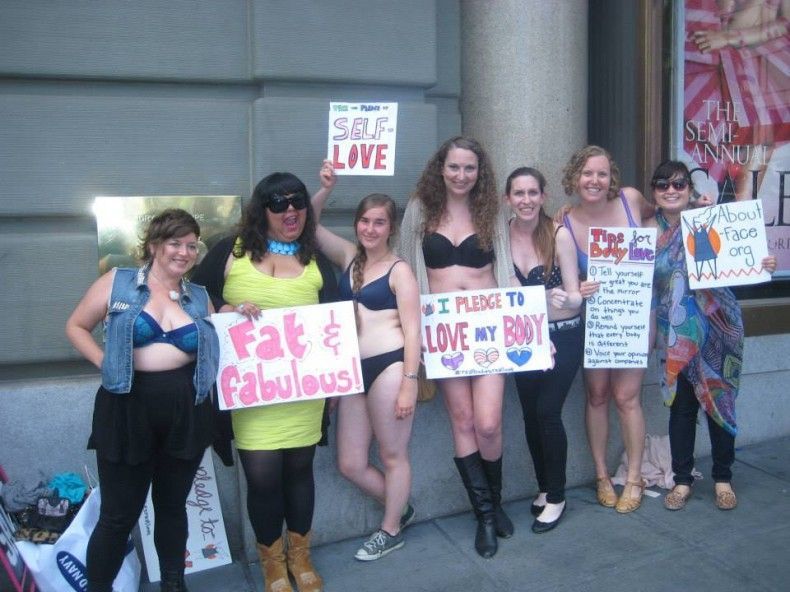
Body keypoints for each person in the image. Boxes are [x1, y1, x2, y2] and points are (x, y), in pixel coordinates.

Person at [191, 173, 337, 592]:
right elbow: (193, 297)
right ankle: (271, 561)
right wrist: (225, 306)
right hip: (250, 392)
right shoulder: (230, 251)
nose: (289, 210)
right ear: (262, 210)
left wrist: (337, 382)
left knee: (299, 470)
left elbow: (334, 319)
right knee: (263, 477)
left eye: (297, 202)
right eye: (278, 203)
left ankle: (300, 555)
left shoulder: (314, 256)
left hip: (304, 392)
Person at [65, 209, 219, 592]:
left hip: (185, 412)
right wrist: (105, 361)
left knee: (172, 507)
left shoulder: (198, 297)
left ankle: (172, 583)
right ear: (153, 245)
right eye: (174, 243)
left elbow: (222, 335)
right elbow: (76, 326)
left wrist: (241, 310)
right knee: (119, 515)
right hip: (127, 411)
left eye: (191, 245)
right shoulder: (118, 284)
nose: (184, 252)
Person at [400, 136, 515, 558]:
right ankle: (485, 515)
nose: (462, 176)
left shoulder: (493, 210)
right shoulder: (419, 209)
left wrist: (530, 330)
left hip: (488, 332)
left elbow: (506, 271)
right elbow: (406, 271)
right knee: (462, 419)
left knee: (488, 423)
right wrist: (414, 337)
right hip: (443, 335)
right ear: (440, 168)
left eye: (470, 168)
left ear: (479, 172)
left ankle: (497, 502)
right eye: (454, 167)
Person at [644, 160, 776, 510]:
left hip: (719, 328)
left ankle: (722, 478)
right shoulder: (644, 230)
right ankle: (682, 479)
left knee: (721, 404)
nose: (670, 190)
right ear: (653, 192)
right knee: (682, 409)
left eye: (678, 184)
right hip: (675, 334)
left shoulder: (710, 219)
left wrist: (762, 264)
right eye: (662, 185)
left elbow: (742, 261)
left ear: (689, 188)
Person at [311, 161, 421, 560]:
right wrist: (325, 188)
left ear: (391, 228)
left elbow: (413, 330)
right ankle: (402, 507)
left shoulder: (399, 270)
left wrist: (410, 382)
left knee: (393, 456)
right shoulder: (350, 258)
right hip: (352, 372)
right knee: (350, 463)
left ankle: (390, 529)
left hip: (390, 367)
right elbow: (309, 226)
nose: (370, 229)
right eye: (364, 221)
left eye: (379, 223)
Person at [560, 145, 650, 514]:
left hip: (633, 316)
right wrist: (575, 287)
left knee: (627, 397)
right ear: (574, 178)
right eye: (586, 173)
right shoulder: (563, 220)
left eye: (601, 173)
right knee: (596, 394)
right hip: (596, 323)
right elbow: (561, 275)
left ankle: (634, 477)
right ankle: (601, 475)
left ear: (612, 177)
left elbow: (664, 217)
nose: (594, 181)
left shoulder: (631, 200)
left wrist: (697, 205)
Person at [505, 167, 583, 533]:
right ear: (508, 199)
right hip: (523, 340)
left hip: (563, 336)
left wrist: (563, 300)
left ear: (543, 196)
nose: (526, 200)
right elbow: (502, 299)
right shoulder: (499, 237)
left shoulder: (559, 235)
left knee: (548, 412)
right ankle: (543, 486)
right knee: (530, 415)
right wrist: (542, 304)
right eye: (518, 193)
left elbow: (574, 301)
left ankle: (557, 495)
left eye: (532, 193)